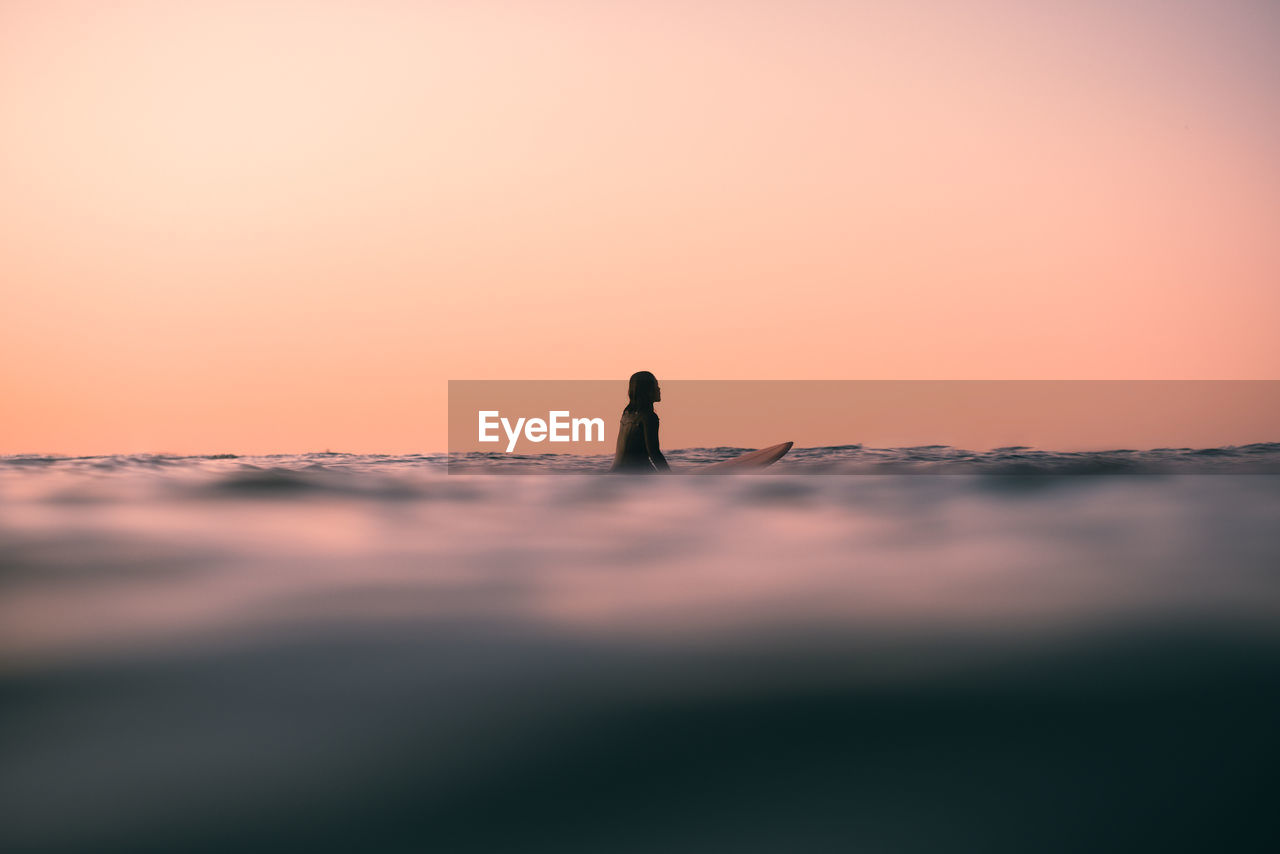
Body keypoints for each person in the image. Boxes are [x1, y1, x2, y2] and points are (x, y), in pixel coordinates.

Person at [609, 371, 671, 472]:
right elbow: (654, 454)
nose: (659, 389)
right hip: (634, 475)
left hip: (615, 472)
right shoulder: (649, 417)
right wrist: (671, 478)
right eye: (656, 385)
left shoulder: (627, 413)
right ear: (647, 391)